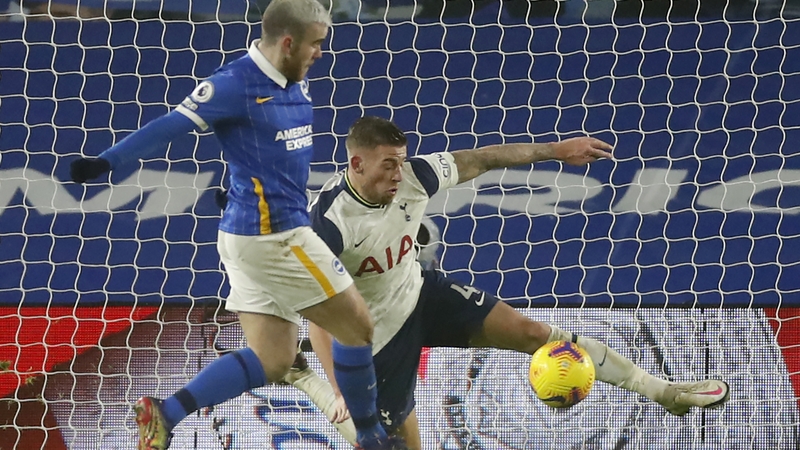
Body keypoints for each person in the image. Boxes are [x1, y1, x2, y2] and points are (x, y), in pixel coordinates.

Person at [68, 2, 403, 449]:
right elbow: (171, 125)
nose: (320, 53)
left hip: (248, 235)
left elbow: (259, 153)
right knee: (357, 326)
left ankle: (166, 413)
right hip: (276, 238)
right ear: (288, 42)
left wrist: (242, 190)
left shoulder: (292, 81)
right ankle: (371, 437)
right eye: (316, 44)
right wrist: (108, 161)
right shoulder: (233, 84)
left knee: (274, 358)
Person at [305, 116, 731, 449]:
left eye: (402, 160)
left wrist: (555, 150)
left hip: (420, 295)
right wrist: (341, 384)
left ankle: (663, 392)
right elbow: (318, 316)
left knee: (535, 333)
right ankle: (303, 379)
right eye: (389, 165)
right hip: (374, 338)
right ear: (357, 164)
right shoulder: (328, 224)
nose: (399, 173)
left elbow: (484, 158)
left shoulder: (416, 177)